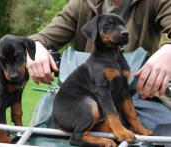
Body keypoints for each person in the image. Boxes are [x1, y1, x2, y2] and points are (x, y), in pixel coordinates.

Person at [28, 0, 171, 131]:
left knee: (162, 132)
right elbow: (42, 37)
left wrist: (168, 52)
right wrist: (35, 45)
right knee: (43, 128)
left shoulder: (157, 2)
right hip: (85, 96)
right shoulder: (82, 3)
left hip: (141, 93)